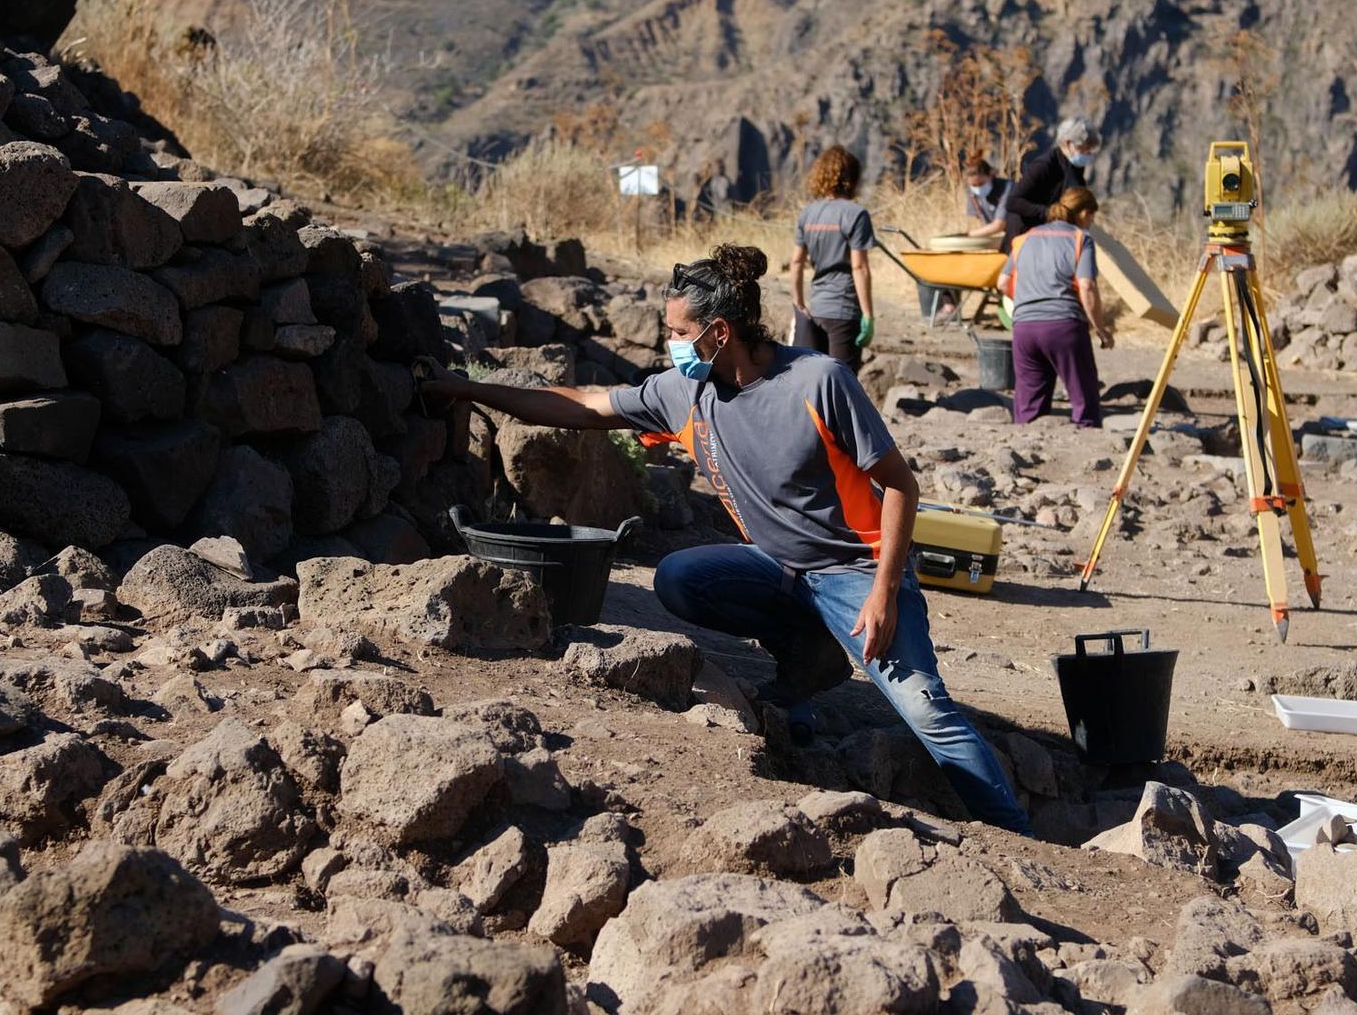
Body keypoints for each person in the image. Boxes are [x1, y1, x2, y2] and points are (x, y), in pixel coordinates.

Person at [419, 245, 1031, 834]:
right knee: (679, 579)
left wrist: (885, 594)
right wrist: (464, 387)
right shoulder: (683, 391)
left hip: (857, 573)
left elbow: (900, 485)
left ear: (719, 332)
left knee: (926, 710)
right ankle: (806, 656)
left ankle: (1013, 829)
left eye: (680, 332)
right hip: (777, 568)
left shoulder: (819, 380)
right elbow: (581, 405)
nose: (671, 345)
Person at [997, 186, 1111, 427]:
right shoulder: (1081, 238)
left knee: (1029, 401)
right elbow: (1087, 286)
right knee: (1083, 396)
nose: (1091, 223)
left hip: (1024, 329)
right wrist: (1100, 328)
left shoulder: (1024, 238)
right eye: (1091, 217)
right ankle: (1088, 442)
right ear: (1083, 214)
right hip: (1064, 326)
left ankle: (1026, 445)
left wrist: (1028, 303)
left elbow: (1003, 282)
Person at [790, 145, 876, 369]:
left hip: (816, 308)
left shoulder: (808, 213)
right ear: (853, 177)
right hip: (844, 311)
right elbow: (859, 268)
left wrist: (798, 304)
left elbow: (797, 262)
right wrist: (868, 315)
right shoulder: (856, 214)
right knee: (843, 382)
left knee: (815, 381)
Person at [920, 155, 1009, 322]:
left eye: (980, 184)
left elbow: (998, 225)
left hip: (1012, 239)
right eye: (973, 185)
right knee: (951, 261)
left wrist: (969, 236)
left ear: (990, 175)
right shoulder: (973, 193)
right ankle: (949, 306)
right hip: (992, 240)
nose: (977, 188)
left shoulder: (1007, 189)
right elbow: (981, 221)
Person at [1001, 116, 1100, 249]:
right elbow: (1013, 202)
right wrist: (1050, 212)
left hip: (1052, 235)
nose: (1087, 153)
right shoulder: (1043, 165)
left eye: (1090, 149)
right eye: (1083, 148)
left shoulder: (1075, 166)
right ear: (1067, 143)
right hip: (1025, 235)